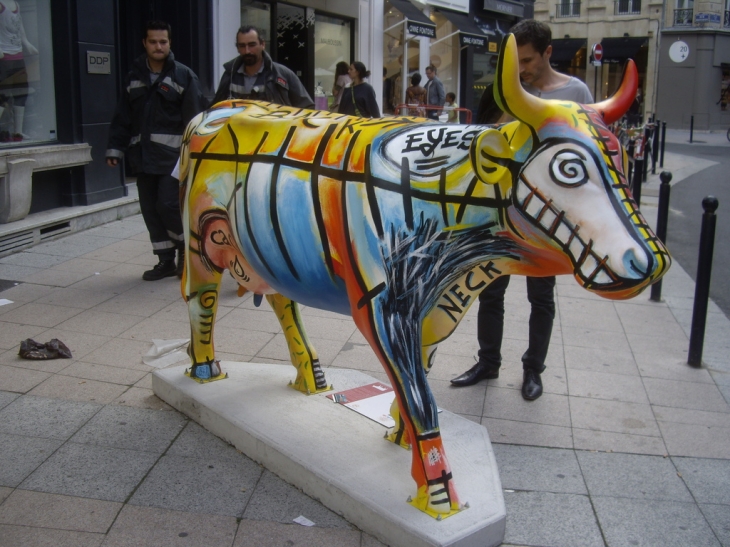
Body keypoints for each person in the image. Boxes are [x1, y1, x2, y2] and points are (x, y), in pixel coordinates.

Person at [450, 19, 593, 400]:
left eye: (528, 60)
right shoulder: (507, 89)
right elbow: (482, 142)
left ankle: (533, 370)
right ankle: (488, 362)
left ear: (548, 52)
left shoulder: (575, 92)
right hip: (501, 207)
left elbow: (586, 156)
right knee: (490, 289)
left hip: (549, 213)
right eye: (517, 61)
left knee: (540, 296)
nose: (523, 69)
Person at [106, 21, 206, 281]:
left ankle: (187, 251)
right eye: (153, 41)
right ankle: (165, 261)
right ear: (145, 43)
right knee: (150, 208)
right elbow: (123, 116)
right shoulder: (134, 76)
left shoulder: (183, 76)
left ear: (170, 43)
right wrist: (115, 149)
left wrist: (195, 155)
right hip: (143, 158)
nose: (158, 46)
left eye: (163, 41)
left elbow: (195, 119)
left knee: (168, 205)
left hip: (173, 159)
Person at [212, 25, 313, 108]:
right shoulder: (229, 75)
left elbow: (307, 108)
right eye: (242, 46)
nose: (247, 51)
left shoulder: (282, 75)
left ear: (262, 44)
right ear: (237, 48)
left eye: (252, 45)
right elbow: (215, 109)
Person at [0, 0, 38, 141]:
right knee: (2, 95)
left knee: (22, 92)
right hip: (4, 58)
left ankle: (18, 132)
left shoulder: (16, 4)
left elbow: (19, 26)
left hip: (18, 55)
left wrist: (26, 42)